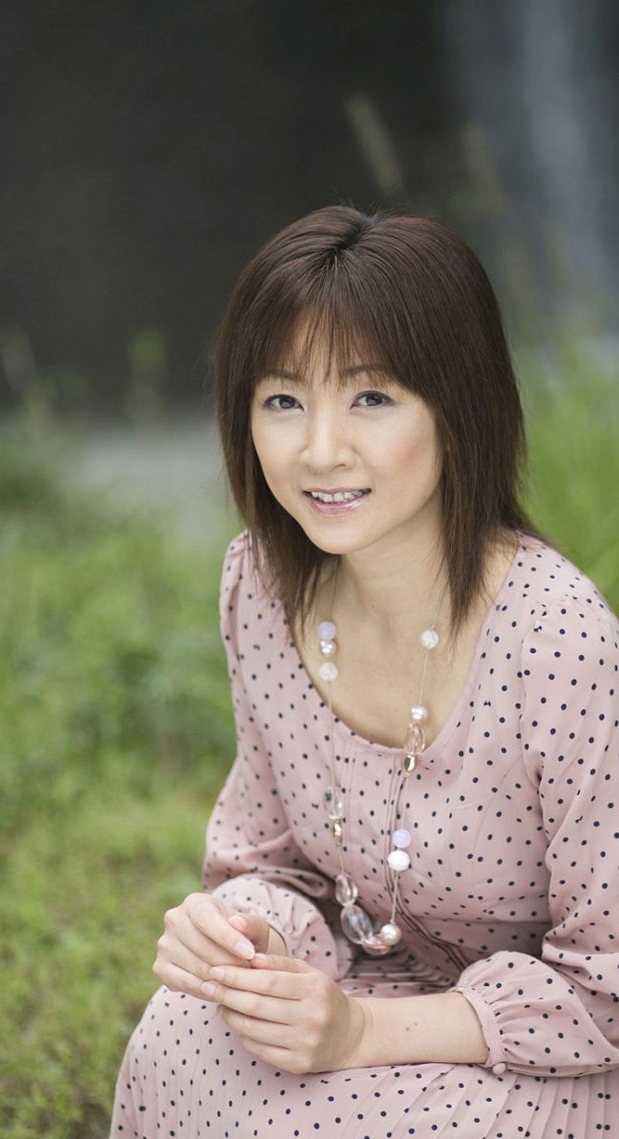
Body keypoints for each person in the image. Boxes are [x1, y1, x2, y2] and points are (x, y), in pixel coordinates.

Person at [110, 205, 619, 1137]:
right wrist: (247, 936)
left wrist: (359, 1035)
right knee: (175, 1040)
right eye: (283, 400)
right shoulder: (264, 582)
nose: (319, 450)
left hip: (560, 1050)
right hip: (372, 987)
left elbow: (609, 990)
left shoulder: (559, 640)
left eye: (371, 398)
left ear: (459, 407)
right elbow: (271, 862)